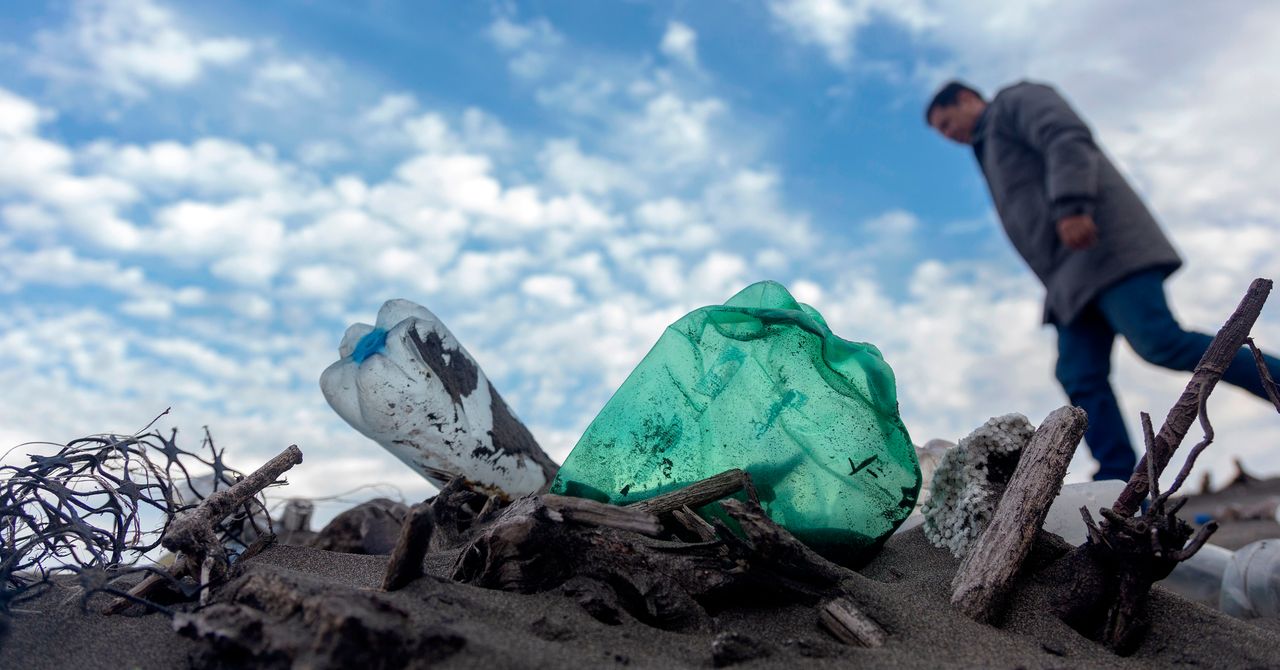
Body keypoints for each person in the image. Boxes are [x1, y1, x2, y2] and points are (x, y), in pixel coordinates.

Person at [925, 79, 1280, 481]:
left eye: (947, 122)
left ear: (968, 99)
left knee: (1160, 341)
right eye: (942, 132)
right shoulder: (986, 148)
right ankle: (1118, 480)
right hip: (1068, 281)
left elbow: (1065, 136)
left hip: (1103, 248)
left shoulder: (1015, 102)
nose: (949, 135)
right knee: (1078, 373)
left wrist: (1073, 205)